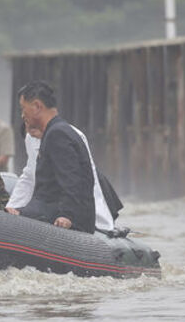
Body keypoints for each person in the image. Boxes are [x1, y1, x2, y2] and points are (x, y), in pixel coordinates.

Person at [8, 81, 122, 234]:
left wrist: (68, 215)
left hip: (62, 217)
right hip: (46, 209)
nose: (22, 115)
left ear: (36, 106)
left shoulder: (57, 134)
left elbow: (72, 179)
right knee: (10, 216)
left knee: (14, 220)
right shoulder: (54, 131)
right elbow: (30, 176)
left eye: (23, 108)